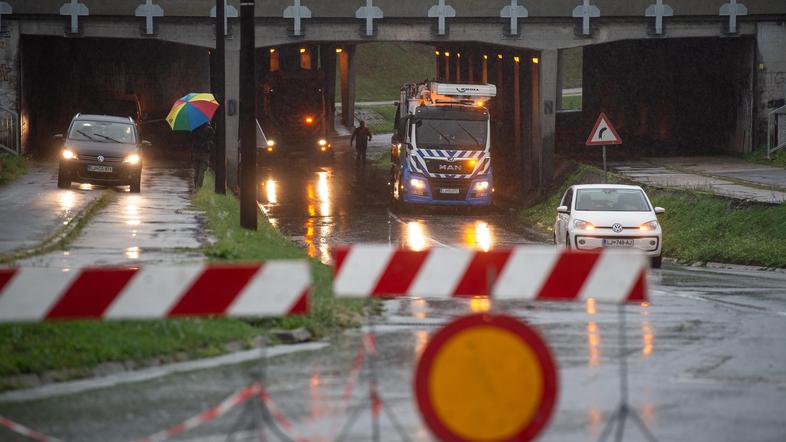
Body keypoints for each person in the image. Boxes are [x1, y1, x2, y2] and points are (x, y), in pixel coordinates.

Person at [192, 122, 214, 189]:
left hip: (196, 152)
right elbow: (212, 141)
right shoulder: (210, 129)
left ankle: (195, 185)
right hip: (205, 152)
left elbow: (191, 139)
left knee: (196, 170)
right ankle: (198, 186)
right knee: (202, 170)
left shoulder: (194, 129)